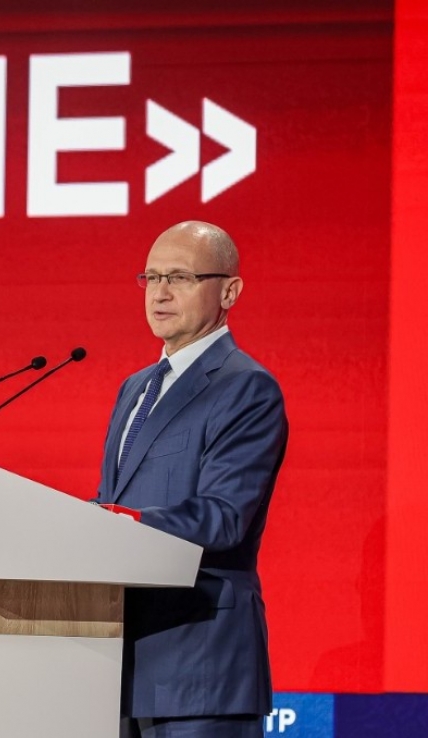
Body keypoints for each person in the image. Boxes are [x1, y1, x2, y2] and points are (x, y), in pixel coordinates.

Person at [94, 221, 288, 738]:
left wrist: (120, 521)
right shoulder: (135, 388)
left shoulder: (246, 388)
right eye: (151, 277)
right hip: (117, 663)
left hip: (201, 664)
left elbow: (224, 517)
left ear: (229, 291)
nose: (159, 292)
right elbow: (114, 500)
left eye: (179, 277)